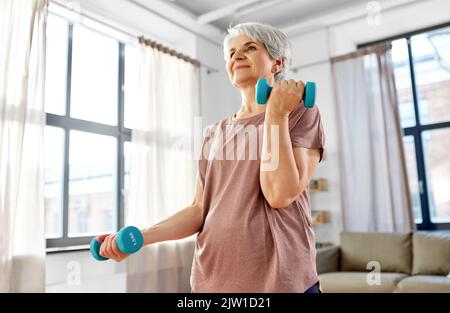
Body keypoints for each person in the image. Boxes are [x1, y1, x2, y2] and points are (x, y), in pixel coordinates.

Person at [97, 22, 325, 293]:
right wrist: (142, 236)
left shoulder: (299, 114)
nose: (237, 56)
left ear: (278, 63)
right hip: (212, 280)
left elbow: (279, 193)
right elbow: (198, 210)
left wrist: (275, 113)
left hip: (280, 281)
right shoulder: (214, 133)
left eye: (250, 48)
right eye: (231, 53)